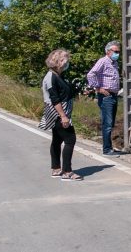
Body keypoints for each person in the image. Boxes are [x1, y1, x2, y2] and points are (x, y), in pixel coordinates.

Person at [38, 49, 83, 181]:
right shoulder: (51, 77)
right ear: (58, 61)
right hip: (58, 113)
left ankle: (56, 168)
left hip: (60, 112)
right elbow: (55, 99)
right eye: (64, 59)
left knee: (57, 140)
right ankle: (67, 171)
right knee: (70, 139)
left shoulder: (57, 75)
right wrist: (63, 116)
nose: (67, 62)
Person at [86, 40, 121, 155]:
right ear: (108, 51)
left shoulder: (114, 63)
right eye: (116, 51)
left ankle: (109, 147)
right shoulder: (103, 61)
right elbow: (91, 74)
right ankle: (106, 149)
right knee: (107, 123)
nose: (118, 53)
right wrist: (98, 88)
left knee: (110, 123)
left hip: (114, 95)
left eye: (118, 51)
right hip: (106, 96)